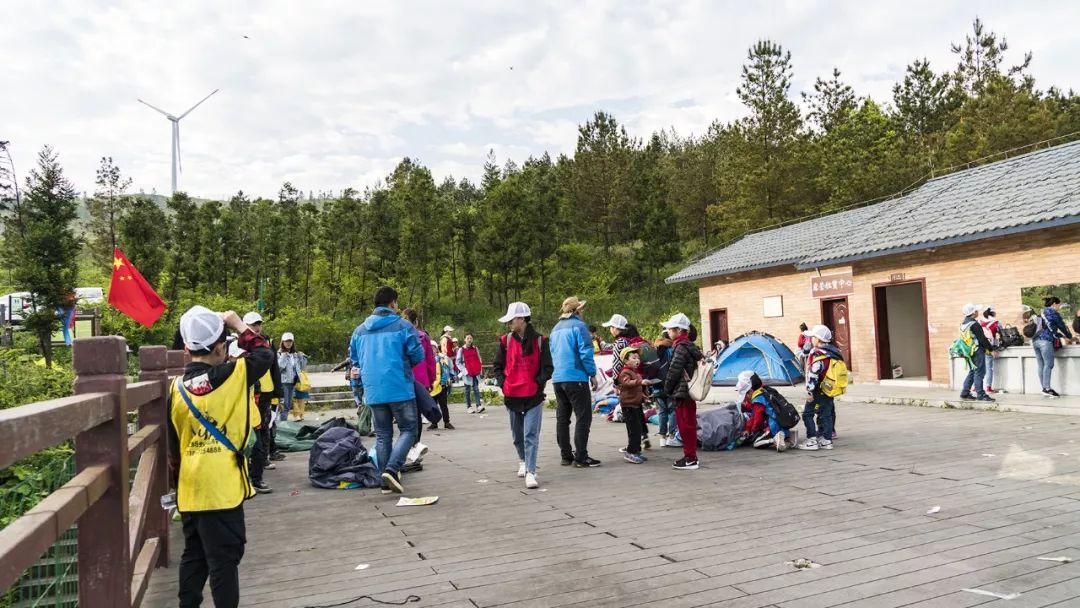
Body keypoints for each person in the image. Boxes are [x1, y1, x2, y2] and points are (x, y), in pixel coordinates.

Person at [168, 306, 271, 608]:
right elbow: (264, 354)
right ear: (219, 347)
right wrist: (238, 324)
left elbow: (173, 448)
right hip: (222, 487)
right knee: (224, 561)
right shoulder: (235, 374)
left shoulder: (175, 389)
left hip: (190, 488)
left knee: (194, 556)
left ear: (186, 349)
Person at [349, 286, 425, 494]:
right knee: (409, 429)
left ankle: (385, 482)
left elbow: (355, 359)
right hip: (399, 386)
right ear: (392, 304)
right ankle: (391, 469)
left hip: (372, 391)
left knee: (383, 435)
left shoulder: (359, 331)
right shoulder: (403, 326)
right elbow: (418, 356)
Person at [493, 302, 553, 489]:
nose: (509, 323)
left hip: (533, 395)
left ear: (521, 319)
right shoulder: (505, 341)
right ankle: (522, 460)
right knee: (517, 436)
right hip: (512, 395)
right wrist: (504, 384)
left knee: (530, 435)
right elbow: (497, 366)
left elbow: (548, 368)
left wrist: (537, 383)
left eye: (512, 320)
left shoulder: (541, 341)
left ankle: (531, 471)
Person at [551, 296, 600, 468]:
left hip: (558, 379)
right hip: (576, 377)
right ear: (577, 310)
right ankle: (581, 456)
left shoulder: (555, 329)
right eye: (582, 308)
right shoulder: (579, 326)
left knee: (563, 418)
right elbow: (585, 352)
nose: (583, 311)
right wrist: (592, 374)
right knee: (583, 416)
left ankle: (566, 456)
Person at [243, 311, 282, 492]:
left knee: (264, 429)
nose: (256, 328)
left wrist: (277, 393)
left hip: (264, 393)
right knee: (247, 438)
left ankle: (259, 469)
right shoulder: (238, 345)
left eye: (258, 324)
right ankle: (247, 476)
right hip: (243, 396)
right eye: (252, 325)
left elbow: (275, 369)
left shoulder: (267, 343)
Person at [660, 312, 703, 470]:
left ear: (679, 330)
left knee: (685, 426)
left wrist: (667, 388)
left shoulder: (680, 347)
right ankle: (690, 456)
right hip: (689, 391)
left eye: (670, 329)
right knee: (689, 424)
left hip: (681, 391)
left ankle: (690, 458)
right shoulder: (690, 346)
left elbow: (674, 371)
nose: (668, 332)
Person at [604, 314, 652, 450]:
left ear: (617, 328)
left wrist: (616, 383)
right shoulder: (632, 341)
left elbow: (617, 364)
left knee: (630, 413)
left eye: (611, 327)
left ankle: (633, 445)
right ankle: (644, 436)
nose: (610, 330)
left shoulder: (620, 343)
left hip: (627, 382)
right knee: (637, 410)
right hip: (638, 379)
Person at [798, 325, 844, 450]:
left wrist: (810, 391)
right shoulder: (833, 352)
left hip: (818, 389)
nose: (811, 339)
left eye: (813, 337)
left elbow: (814, 374)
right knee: (826, 414)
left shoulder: (818, 354)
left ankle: (812, 440)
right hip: (829, 389)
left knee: (807, 414)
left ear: (818, 339)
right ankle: (827, 440)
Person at [736, 370, 789, 452]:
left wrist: (753, 430)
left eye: (746, 394)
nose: (746, 397)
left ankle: (775, 439)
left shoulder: (757, 400)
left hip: (773, 426)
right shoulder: (764, 391)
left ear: (750, 391)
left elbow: (757, 418)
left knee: (756, 443)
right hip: (782, 423)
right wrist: (748, 428)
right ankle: (787, 436)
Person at [1034, 296, 1075, 398]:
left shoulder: (1041, 312)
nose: (1059, 307)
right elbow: (1062, 326)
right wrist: (1069, 337)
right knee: (1049, 364)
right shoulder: (1053, 313)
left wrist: (1061, 336)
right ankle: (1047, 388)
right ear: (1054, 304)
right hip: (1045, 340)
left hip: (1035, 340)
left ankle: (1044, 388)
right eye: (1059, 304)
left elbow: (1050, 328)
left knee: (1041, 365)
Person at [616, 347, 651, 464]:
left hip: (636, 404)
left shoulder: (636, 373)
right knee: (634, 430)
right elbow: (626, 383)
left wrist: (644, 396)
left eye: (638, 358)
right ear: (626, 361)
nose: (637, 360)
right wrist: (640, 382)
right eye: (634, 357)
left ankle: (636, 451)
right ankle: (630, 452)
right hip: (628, 405)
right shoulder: (625, 372)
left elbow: (637, 389)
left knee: (639, 429)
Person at [957, 303, 995, 402]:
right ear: (973, 313)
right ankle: (981, 395)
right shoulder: (974, 324)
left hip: (968, 351)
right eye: (976, 311)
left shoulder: (963, 324)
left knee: (973, 371)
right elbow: (982, 339)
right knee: (979, 372)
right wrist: (991, 350)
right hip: (977, 351)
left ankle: (965, 393)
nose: (978, 312)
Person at [277, 332, 308, 422]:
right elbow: (279, 368)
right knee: (283, 404)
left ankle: (283, 423)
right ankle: (281, 424)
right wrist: (284, 356)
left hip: (292, 382)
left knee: (288, 405)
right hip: (283, 382)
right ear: (282, 342)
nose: (288, 343)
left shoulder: (294, 354)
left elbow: (301, 368)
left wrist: (303, 358)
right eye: (286, 341)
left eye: (290, 341)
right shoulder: (279, 354)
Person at [653, 331, 676, 443]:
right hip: (670, 385)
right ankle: (671, 436)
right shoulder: (672, 350)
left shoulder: (656, 349)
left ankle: (662, 438)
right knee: (672, 410)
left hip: (657, 385)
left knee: (662, 411)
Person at [429, 342, 456, 430]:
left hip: (442, 385)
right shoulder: (427, 360)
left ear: (437, 349)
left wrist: (451, 377)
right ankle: (434, 423)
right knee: (432, 406)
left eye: (433, 348)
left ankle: (446, 422)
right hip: (432, 387)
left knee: (443, 405)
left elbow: (450, 368)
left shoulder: (443, 358)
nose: (432, 350)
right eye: (430, 348)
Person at [456, 333, 485, 413]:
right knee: (467, 390)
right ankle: (469, 407)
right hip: (467, 373)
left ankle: (478, 406)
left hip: (475, 372)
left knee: (476, 389)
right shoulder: (461, 350)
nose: (469, 340)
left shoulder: (475, 348)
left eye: (471, 338)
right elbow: (458, 362)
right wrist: (464, 370)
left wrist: (480, 370)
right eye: (468, 338)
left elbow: (479, 359)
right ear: (465, 339)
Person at [979, 308, 1001, 394]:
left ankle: (975, 386)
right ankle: (988, 387)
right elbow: (1002, 332)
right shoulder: (996, 322)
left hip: (980, 347)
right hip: (989, 347)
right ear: (993, 313)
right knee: (989, 368)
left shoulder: (980, 321)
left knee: (979, 368)